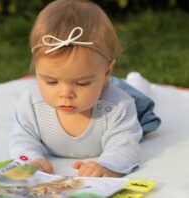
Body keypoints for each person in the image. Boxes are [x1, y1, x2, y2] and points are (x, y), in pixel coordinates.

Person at [9, 0, 161, 177]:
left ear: (106, 73)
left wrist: (108, 166)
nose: (65, 94)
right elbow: (22, 136)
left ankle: (137, 83)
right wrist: (30, 158)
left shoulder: (119, 105)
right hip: (99, 88)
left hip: (116, 99)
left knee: (139, 100)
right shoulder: (32, 102)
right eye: (51, 81)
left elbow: (125, 145)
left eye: (81, 83)